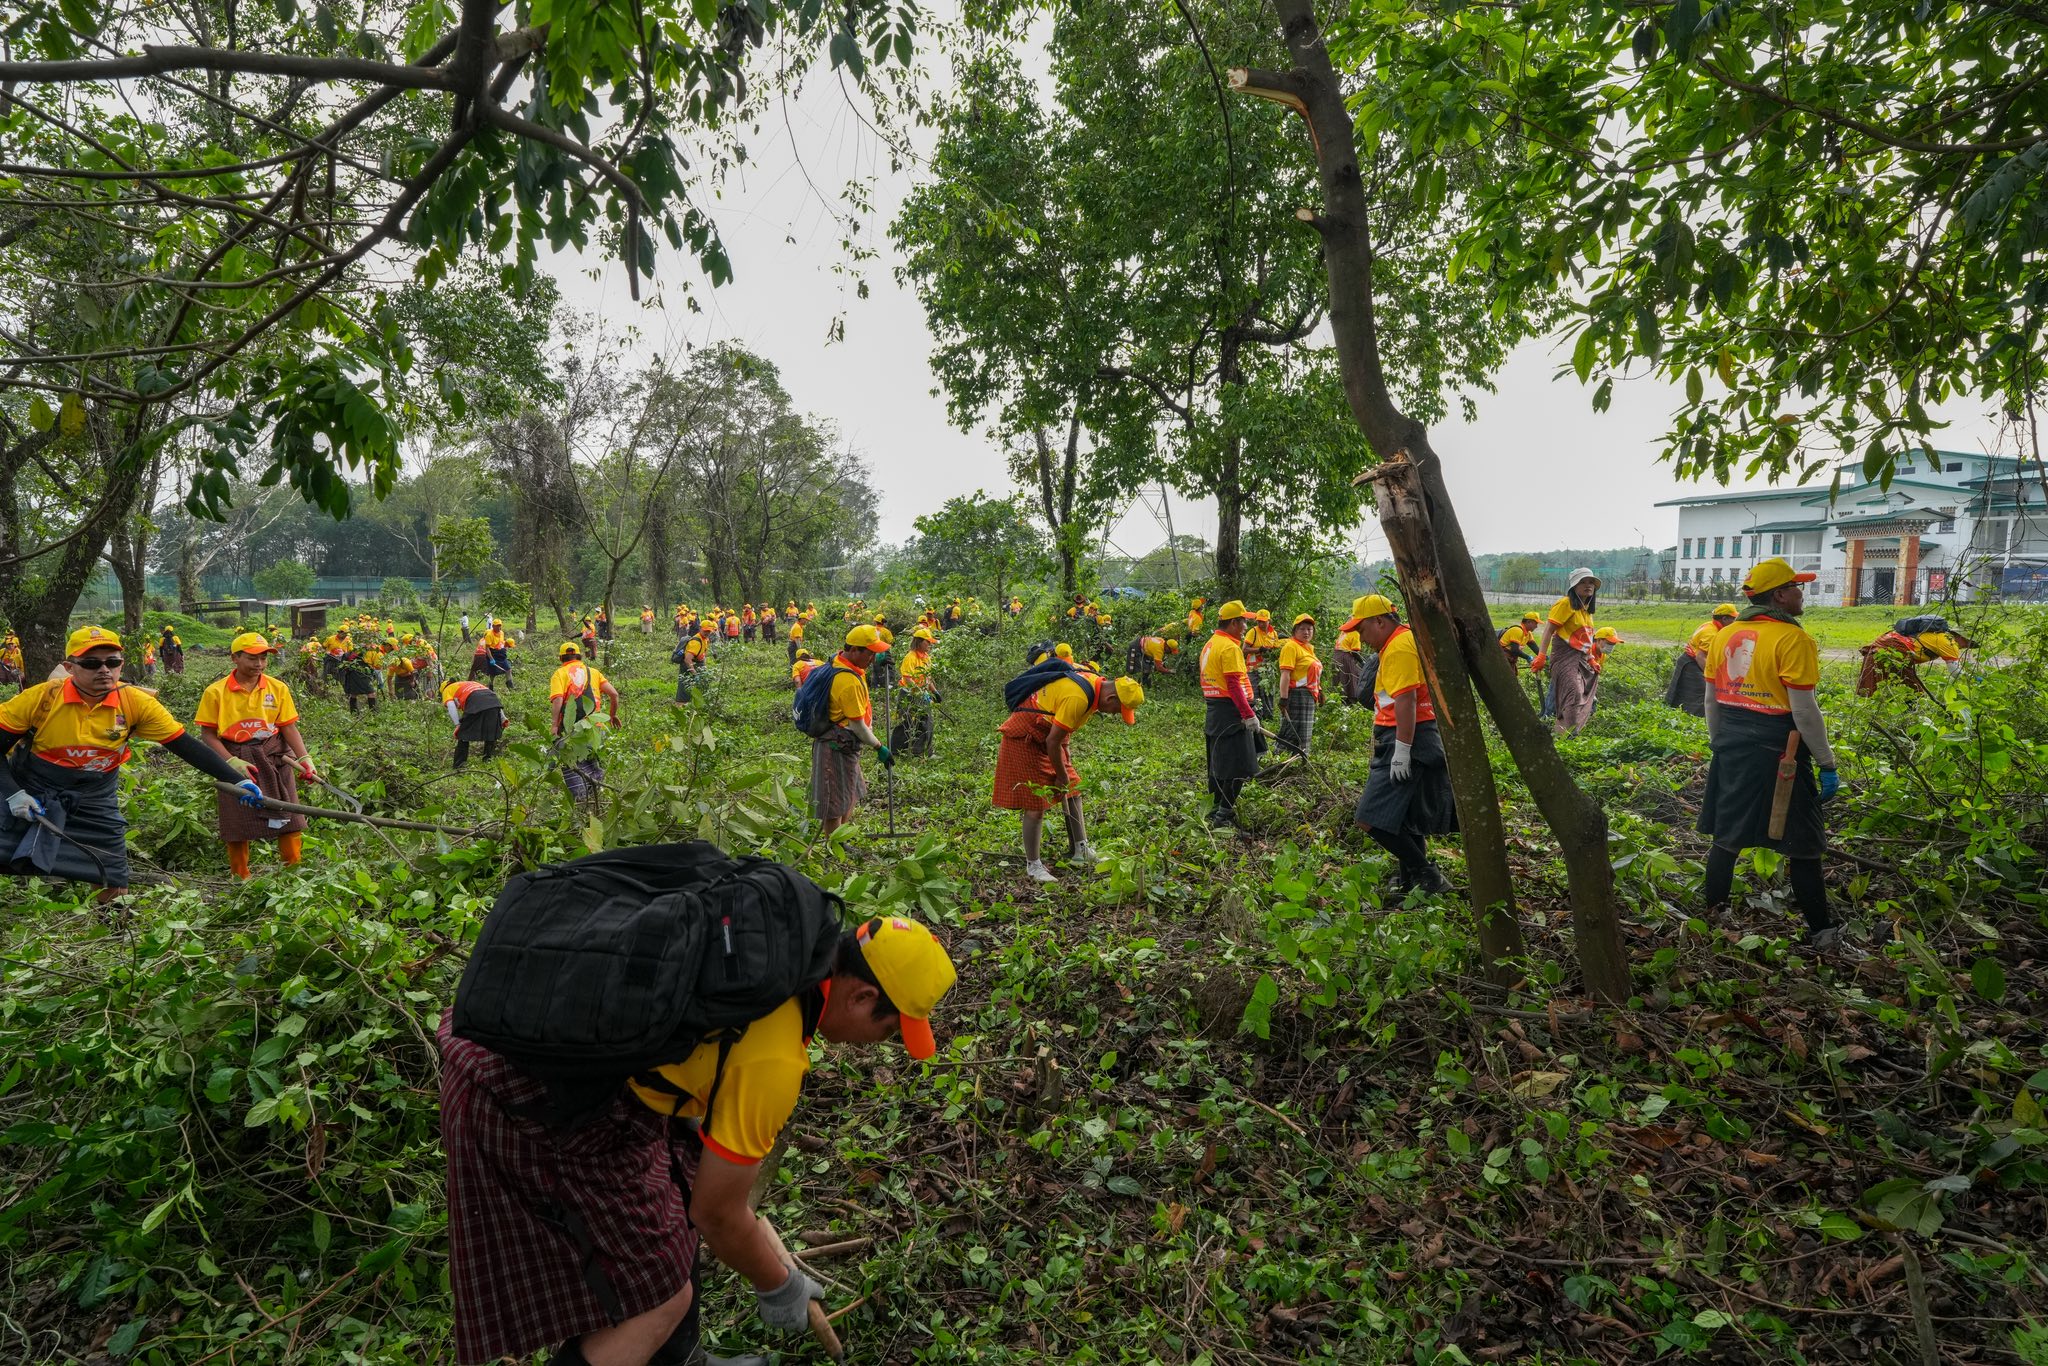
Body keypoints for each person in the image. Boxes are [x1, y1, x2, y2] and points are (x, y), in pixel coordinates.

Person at [439, 910, 957, 1366]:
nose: (878, 1046)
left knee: (674, 1191)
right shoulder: (774, 1059)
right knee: (659, 1299)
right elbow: (718, 1214)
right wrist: (779, 1285)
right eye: (890, 1031)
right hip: (521, 1096)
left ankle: (679, 1360)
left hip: (537, 1055)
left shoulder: (786, 945)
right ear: (863, 995)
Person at [0, 626, 261, 897]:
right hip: (35, 789)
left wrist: (236, 778)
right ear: (70, 666)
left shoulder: (136, 702)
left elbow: (185, 745)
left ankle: (113, 928)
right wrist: (14, 794)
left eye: (112, 662)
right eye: (91, 663)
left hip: (95, 796)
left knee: (111, 873)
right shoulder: (41, 698)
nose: (104, 670)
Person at [1700, 558, 1853, 953]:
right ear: (1780, 595)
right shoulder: (1792, 639)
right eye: (1796, 587)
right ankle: (1821, 931)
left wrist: (1720, 743)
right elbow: (1803, 711)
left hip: (1733, 744)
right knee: (1803, 844)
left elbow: (1711, 699)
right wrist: (1826, 763)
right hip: (1780, 751)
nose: (1802, 593)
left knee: (1727, 836)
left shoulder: (1725, 635)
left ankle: (1711, 916)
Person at [993, 662, 1141, 883]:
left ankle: (1081, 850)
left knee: (1073, 788)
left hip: (1048, 734)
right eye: (1117, 711)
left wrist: (1066, 765)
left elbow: (1061, 731)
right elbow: (1053, 740)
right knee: (1036, 804)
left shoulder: (1093, 682)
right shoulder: (1079, 698)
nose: (1113, 715)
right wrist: (1060, 774)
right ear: (1111, 700)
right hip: (1025, 737)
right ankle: (1033, 866)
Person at [1349, 596, 1457, 895]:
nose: (1361, 637)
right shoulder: (1401, 640)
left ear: (1379, 621)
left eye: (1362, 629)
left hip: (1410, 738)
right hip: (1410, 736)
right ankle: (1410, 883)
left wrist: (1402, 750)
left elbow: (1406, 700)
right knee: (1406, 820)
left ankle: (1428, 876)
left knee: (1370, 819)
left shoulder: (1398, 646)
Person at [196, 633, 317, 880]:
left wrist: (305, 759)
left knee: (290, 817)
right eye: (252, 658)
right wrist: (230, 761)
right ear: (235, 658)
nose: (259, 664)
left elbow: (288, 727)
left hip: (274, 755)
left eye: (263, 658)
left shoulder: (278, 688)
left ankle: (292, 872)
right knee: (237, 822)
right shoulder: (215, 692)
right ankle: (241, 878)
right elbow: (208, 735)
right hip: (234, 758)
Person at [808, 626, 894, 836]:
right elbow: (857, 726)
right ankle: (834, 844)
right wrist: (879, 747)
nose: (873, 658)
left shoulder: (841, 662)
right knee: (834, 801)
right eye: (870, 653)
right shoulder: (847, 681)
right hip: (836, 745)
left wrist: (878, 659)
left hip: (847, 745)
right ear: (855, 650)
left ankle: (841, 837)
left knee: (851, 792)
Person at [1199, 601, 1264, 829]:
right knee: (1239, 766)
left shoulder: (1211, 644)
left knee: (1219, 764)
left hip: (1216, 712)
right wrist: (1247, 714)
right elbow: (1234, 684)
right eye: (1244, 621)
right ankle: (1223, 815)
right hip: (1232, 713)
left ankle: (1215, 808)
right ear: (1234, 622)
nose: (1246, 626)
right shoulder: (1229, 647)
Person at [550, 643, 621, 818]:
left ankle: (582, 803)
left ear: (561, 658)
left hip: (571, 729)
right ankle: (598, 799)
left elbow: (558, 699)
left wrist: (553, 724)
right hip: (595, 727)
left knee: (572, 764)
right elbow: (614, 694)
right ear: (580, 656)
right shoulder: (594, 672)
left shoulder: (559, 673)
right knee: (592, 761)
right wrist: (612, 716)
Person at [1538, 567, 1600, 733]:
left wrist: (1591, 659)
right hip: (1564, 658)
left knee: (1574, 693)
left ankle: (1558, 729)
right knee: (1573, 694)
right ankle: (1565, 734)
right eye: (1583, 582)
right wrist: (1541, 656)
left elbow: (1585, 641)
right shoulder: (1565, 604)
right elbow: (1548, 630)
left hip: (1579, 659)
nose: (1588, 586)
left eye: (1591, 582)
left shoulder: (1586, 611)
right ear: (1574, 586)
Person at [1857, 620, 1965, 697]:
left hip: (1883, 643)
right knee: (1915, 691)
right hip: (1895, 649)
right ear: (1960, 637)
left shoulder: (1939, 635)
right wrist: (1975, 680)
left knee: (1873, 684)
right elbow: (1956, 672)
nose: (1968, 646)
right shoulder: (1950, 643)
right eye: (1969, 642)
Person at [1665, 603, 1736, 716]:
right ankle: (1694, 719)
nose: (1735, 622)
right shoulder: (1711, 634)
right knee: (1702, 692)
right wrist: (1711, 676)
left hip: (1689, 660)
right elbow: (1701, 657)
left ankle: (1683, 716)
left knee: (1687, 692)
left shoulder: (1710, 625)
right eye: (1733, 619)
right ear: (1725, 618)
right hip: (1691, 663)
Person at [1274, 614, 1323, 757]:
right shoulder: (1291, 647)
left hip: (1308, 696)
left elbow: (1312, 674)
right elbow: (1285, 674)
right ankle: (1279, 760)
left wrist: (1319, 690)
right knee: (1290, 731)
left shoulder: (1308, 648)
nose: (1306, 632)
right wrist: (1284, 699)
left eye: (1309, 629)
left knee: (1304, 733)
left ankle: (1299, 762)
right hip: (1296, 695)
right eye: (1302, 629)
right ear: (1295, 631)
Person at [891, 627, 940, 759]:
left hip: (922, 693)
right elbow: (907, 678)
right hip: (908, 694)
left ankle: (922, 752)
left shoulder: (926, 658)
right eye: (927, 642)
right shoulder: (910, 657)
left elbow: (927, 677)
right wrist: (919, 692)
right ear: (919, 642)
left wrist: (934, 692)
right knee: (906, 722)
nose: (929, 645)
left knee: (926, 721)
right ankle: (896, 750)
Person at [444, 679, 507, 768]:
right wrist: (502, 717)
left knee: (463, 734)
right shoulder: (472, 683)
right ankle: (488, 760)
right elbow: (490, 696)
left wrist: (458, 725)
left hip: (475, 700)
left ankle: (459, 765)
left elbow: (451, 705)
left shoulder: (447, 690)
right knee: (491, 732)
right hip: (494, 702)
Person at [676, 621, 714, 704]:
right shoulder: (696, 642)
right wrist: (694, 673)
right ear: (700, 628)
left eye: (709, 631)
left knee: (698, 690)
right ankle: (680, 707)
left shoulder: (704, 639)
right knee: (684, 690)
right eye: (705, 631)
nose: (707, 633)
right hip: (688, 667)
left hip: (697, 666)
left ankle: (694, 708)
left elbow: (703, 654)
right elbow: (687, 659)